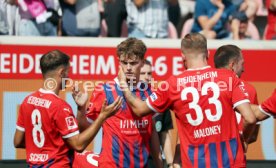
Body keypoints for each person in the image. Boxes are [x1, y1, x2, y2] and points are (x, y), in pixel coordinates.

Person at [118, 33, 256, 168]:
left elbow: (139, 109)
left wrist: (124, 85)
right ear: (207, 53)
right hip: (231, 160)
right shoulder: (228, 77)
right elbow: (250, 118)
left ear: (182, 56)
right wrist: (243, 140)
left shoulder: (173, 84)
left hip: (196, 162)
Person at [13, 50, 122, 167]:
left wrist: (81, 108)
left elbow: (17, 141)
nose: (68, 77)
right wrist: (102, 117)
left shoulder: (27, 101)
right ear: (61, 73)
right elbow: (78, 145)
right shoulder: (59, 106)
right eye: (68, 72)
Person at [75, 38, 163, 168]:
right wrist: (81, 109)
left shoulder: (150, 91)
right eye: (124, 62)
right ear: (118, 62)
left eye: (133, 63)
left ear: (142, 62)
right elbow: (84, 128)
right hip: (110, 164)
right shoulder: (104, 90)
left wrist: (159, 163)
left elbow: (152, 130)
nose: (128, 68)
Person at [214, 44, 259, 148]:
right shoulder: (249, 89)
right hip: (234, 154)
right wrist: (242, 141)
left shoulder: (201, 86)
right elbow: (253, 134)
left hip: (204, 154)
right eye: (242, 64)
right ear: (232, 65)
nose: (243, 69)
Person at [140, 60, 174, 168]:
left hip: (154, 160)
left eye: (149, 73)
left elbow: (164, 135)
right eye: (142, 73)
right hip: (131, 159)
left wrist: (170, 164)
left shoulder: (160, 99)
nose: (146, 77)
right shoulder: (126, 98)